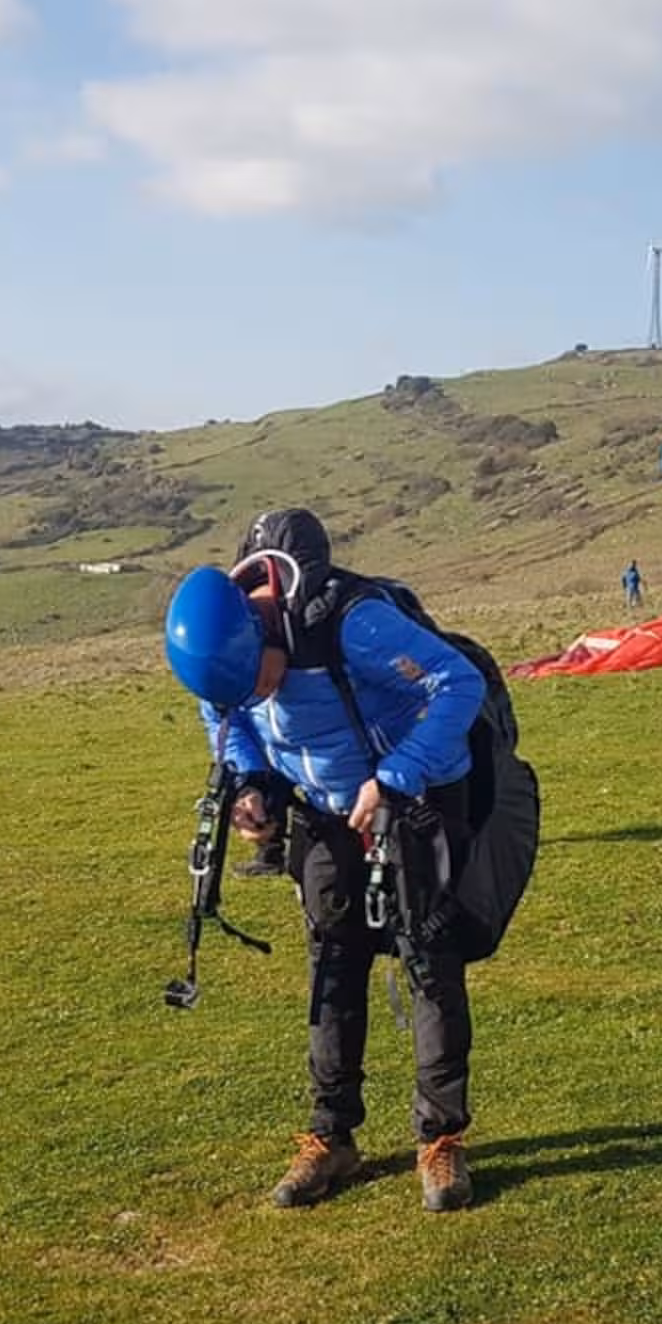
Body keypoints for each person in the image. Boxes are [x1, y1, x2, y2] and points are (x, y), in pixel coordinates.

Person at [163, 508, 486, 1214]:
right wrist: (252, 784)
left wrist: (398, 775)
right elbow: (231, 720)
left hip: (417, 795)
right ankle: (330, 1135)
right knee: (332, 960)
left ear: (266, 632)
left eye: (260, 680)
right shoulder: (227, 660)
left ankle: (441, 1140)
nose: (258, 697)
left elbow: (458, 684)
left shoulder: (355, 625)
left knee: (427, 959)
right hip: (322, 807)